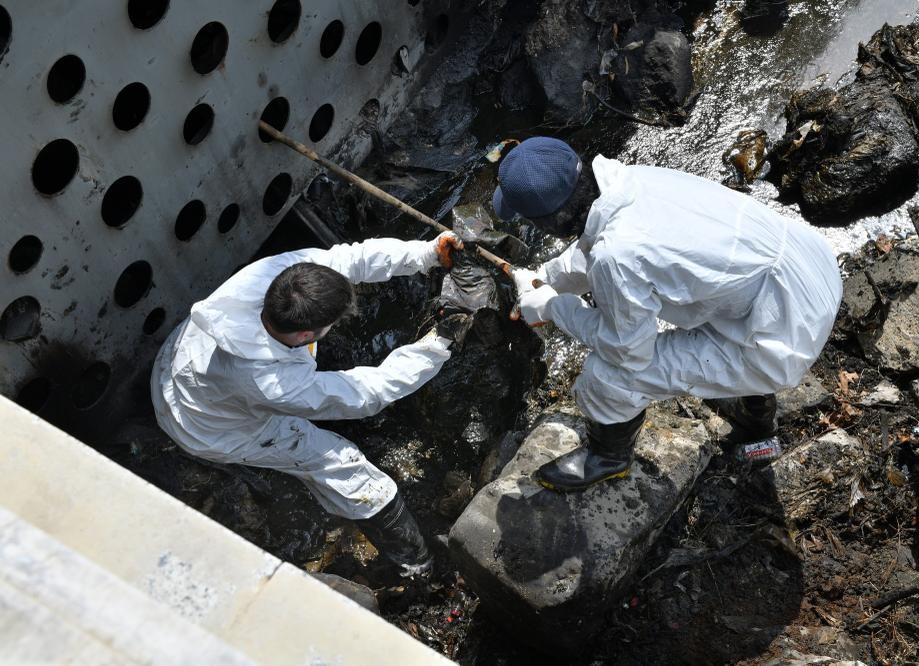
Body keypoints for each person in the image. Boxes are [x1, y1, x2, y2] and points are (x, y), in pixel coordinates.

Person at [495, 137, 843, 491]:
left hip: (785, 331)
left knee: (608, 376)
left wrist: (556, 308)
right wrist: (546, 279)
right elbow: (602, 250)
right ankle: (756, 422)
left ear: (550, 223)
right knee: (701, 295)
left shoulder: (615, 254)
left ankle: (608, 458)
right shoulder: (627, 182)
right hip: (807, 265)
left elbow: (628, 350)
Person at [151, 232, 464, 576]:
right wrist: (439, 344)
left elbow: (351, 259)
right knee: (343, 467)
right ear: (304, 336)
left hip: (180, 361)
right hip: (206, 424)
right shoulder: (274, 383)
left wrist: (427, 253)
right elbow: (368, 393)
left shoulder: (281, 277)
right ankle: (416, 562)